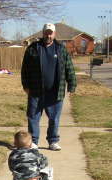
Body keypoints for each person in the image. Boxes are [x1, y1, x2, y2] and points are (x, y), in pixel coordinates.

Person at [21, 23, 77, 151]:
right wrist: (25, 85)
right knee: (33, 117)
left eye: (51, 33)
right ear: (43, 33)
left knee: (54, 118)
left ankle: (53, 141)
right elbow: (25, 69)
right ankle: (33, 141)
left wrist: (72, 85)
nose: (48, 35)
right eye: (46, 32)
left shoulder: (61, 49)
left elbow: (69, 68)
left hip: (55, 92)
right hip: (36, 91)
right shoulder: (33, 48)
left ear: (54, 34)